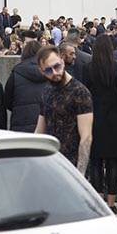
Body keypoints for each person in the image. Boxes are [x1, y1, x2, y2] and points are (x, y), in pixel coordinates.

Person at [35, 45, 94, 176]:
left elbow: (86, 137)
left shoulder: (80, 92)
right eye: (49, 71)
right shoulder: (46, 91)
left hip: (72, 166)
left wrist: (80, 173)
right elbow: (40, 130)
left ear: (62, 60)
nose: (55, 73)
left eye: (57, 66)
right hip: (50, 163)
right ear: (41, 71)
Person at [85, 32, 117, 212]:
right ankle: (111, 202)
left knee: (95, 161)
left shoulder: (88, 68)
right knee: (113, 163)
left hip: (94, 119)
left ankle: (97, 200)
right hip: (115, 119)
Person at [3, 40, 46, 132]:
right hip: (44, 124)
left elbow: (7, 100)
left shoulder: (17, 72)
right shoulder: (49, 72)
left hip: (21, 122)